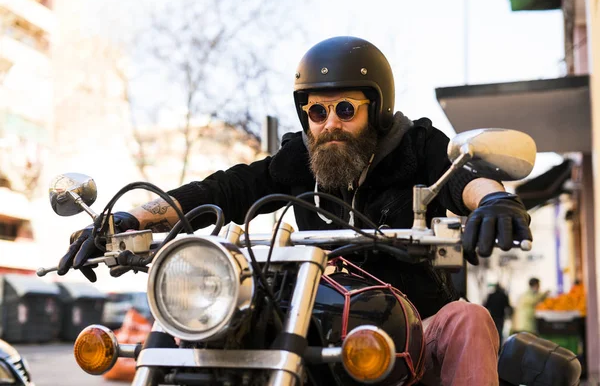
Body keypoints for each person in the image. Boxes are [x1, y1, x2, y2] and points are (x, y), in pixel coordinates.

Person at [57, 36, 532, 386]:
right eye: (317, 112)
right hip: (315, 325)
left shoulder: (414, 146)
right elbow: (223, 188)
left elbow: (462, 177)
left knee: (470, 319)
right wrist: (129, 220)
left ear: (377, 108)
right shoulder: (299, 160)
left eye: (345, 109)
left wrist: (492, 198)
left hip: (413, 326)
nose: (329, 124)